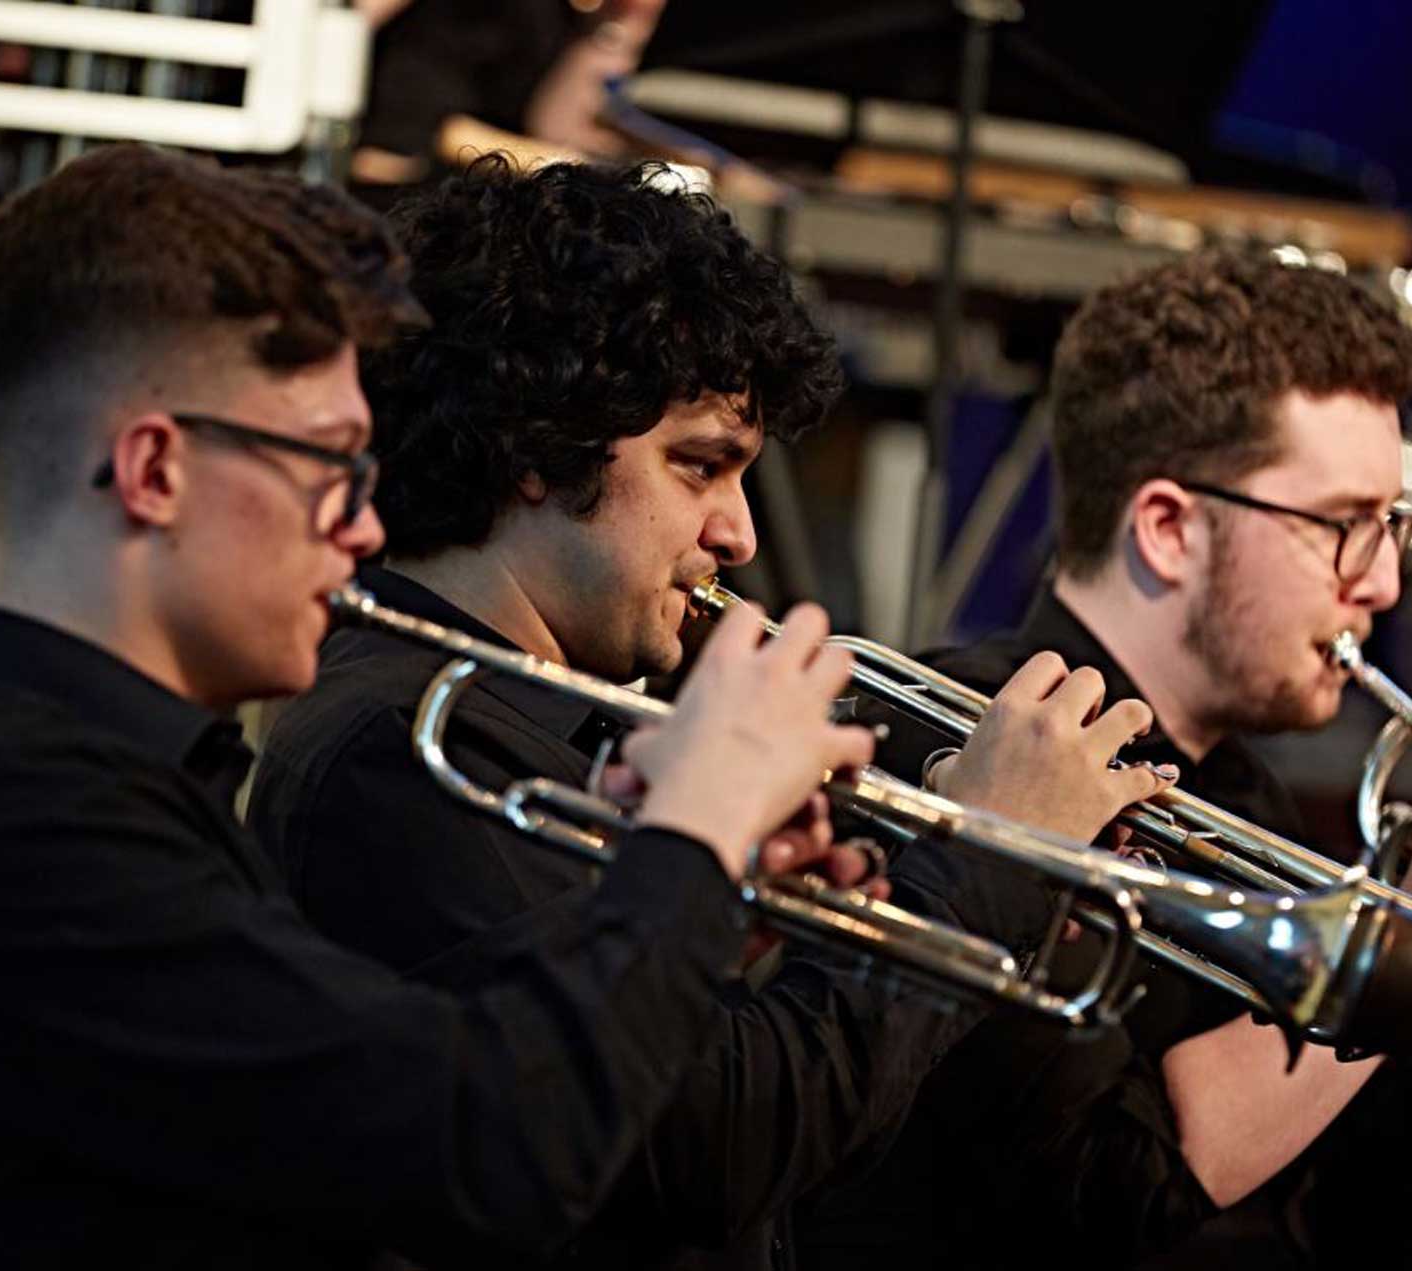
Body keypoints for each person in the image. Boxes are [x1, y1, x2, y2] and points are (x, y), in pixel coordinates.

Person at [0, 143, 881, 1270]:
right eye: (328, 464)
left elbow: (429, 1076)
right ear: (155, 471)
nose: (367, 528)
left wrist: (662, 901)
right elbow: (486, 1149)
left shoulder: (51, 784)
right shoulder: (28, 824)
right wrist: (688, 846)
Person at [245, 155, 1171, 1270]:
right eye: (701, 467)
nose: (737, 532)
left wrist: (778, 925)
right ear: (544, 441)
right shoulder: (395, 749)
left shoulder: (546, 723)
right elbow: (709, 1144)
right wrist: (985, 854)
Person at [796, 249, 1412, 1269]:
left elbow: (1374, 1222)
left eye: (1392, 525)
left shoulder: (1249, 794)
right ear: (1167, 528)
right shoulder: (957, 743)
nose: (1379, 584)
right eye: (1342, 526)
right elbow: (1107, 1189)